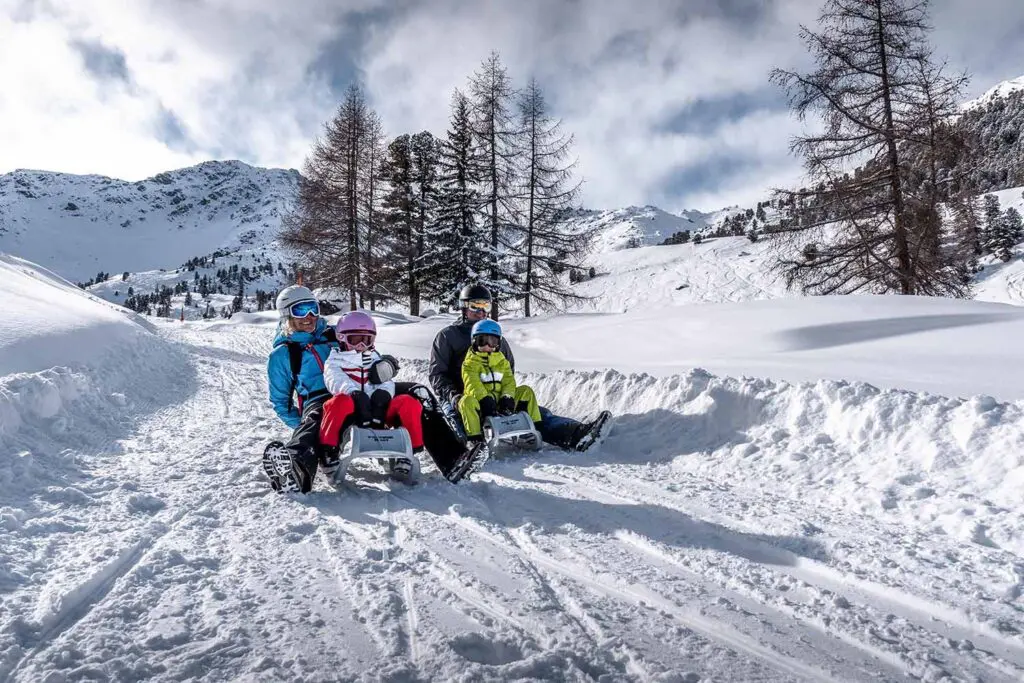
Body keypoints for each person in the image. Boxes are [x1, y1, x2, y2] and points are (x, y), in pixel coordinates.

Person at [429, 283, 611, 453]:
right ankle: (461, 455)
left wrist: (505, 397)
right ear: (464, 307)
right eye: (475, 306)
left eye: (485, 306)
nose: (481, 311)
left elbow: (507, 370)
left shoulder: (496, 336)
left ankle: (576, 434)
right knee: (453, 425)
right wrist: (454, 396)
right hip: (461, 397)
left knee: (534, 411)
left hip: (493, 395)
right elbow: (437, 374)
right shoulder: (447, 336)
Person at [318, 311, 423, 480]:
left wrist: (383, 394)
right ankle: (328, 452)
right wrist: (354, 394)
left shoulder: (375, 358)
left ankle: (409, 450)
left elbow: (386, 380)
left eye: (366, 340)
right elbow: (334, 380)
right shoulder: (335, 361)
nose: (361, 345)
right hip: (352, 411)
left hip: (378, 410)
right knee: (337, 402)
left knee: (408, 402)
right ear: (341, 338)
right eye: (355, 339)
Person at [264, 285, 339, 493]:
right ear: (286, 314)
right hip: (317, 404)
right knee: (315, 421)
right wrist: (302, 426)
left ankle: (404, 455)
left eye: (313, 308)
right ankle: (296, 469)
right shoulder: (283, 354)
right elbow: (281, 402)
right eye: (300, 310)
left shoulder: (334, 336)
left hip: (350, 393)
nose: (309, 316)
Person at [459, 319, 541, 442]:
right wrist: (485, 399)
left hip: (501, 402)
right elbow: (472, 384)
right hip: (482, 404)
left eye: (492, 342)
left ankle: (534, 428)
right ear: (474, 342)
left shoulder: (502, 362)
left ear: (498, 344)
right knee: (466, 402)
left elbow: (509, 381)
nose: (488, 346)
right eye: (483, 341)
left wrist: (507, 397)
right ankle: (475, 438)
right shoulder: (469, 364)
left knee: (526, 391)